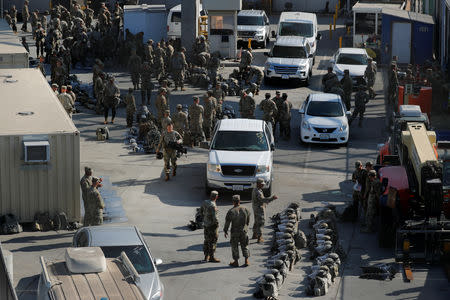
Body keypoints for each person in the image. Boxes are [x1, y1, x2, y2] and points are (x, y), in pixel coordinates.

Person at [224, 195, 251, 267]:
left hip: (235, 231)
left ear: (233, 202)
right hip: (244, 230)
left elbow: (227, 222)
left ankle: (236, 262)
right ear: (239, 201)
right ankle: (246, 261)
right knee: (245, 245)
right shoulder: (246, 209)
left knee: (234, 246)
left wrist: (225, 230)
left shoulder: (231, 211)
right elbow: (248, 220)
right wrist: (246, 226)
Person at [251, 178, 278, 243]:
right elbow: (263, 200)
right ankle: (259, 237)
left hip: (255, 208)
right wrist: (272, 198)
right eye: (261, 184)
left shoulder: (255, 189)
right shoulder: (258, 192)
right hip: (259, 209)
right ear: (258, 184)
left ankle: (255, 234)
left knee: (256, 221)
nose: (263, 185)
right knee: (260, 222)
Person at [200, 190, 220, 263]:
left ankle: (206, 256)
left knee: (206, 240)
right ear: (216, 197)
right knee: (213, 241)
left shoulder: (205, 202)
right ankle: (212, 257)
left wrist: (205, 219)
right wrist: (217, 225)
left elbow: (200, 212)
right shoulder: (213, 205)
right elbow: (215, 218)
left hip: (206, 225)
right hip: (212, 226)